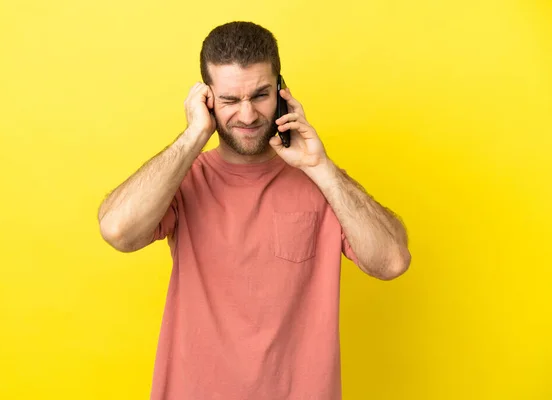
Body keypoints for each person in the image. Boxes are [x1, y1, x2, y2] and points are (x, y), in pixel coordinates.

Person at [98, 21, 411, 400]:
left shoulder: (321, 181)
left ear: (281, 91)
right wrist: (194, 135)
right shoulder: (184, 179)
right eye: (230, 100)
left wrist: (321, 168)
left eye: (260, 95)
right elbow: (117, 230)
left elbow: (392, 261)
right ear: (207, 99)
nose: (247, 116)